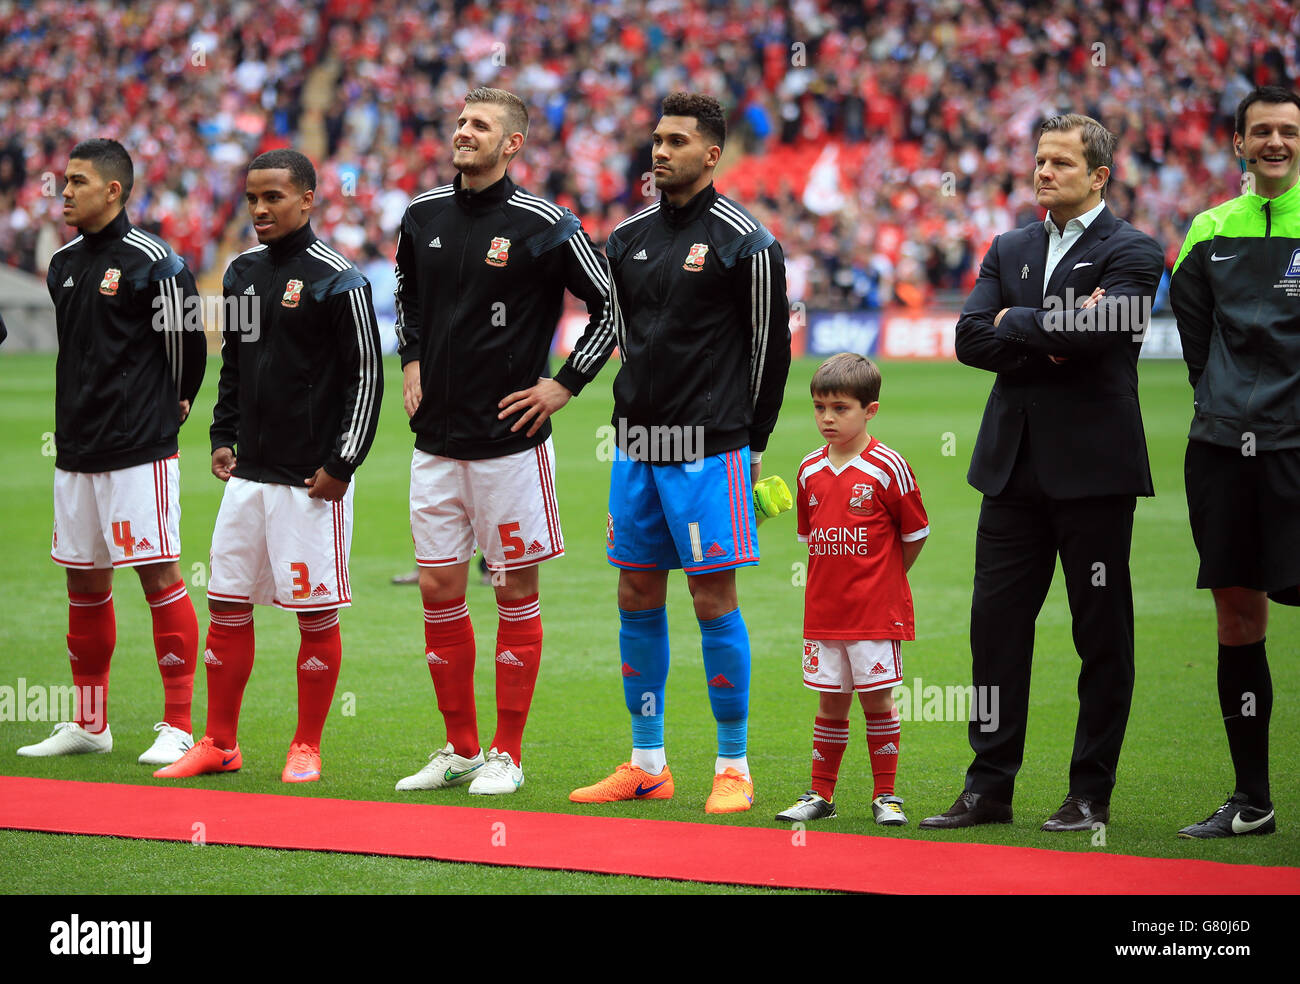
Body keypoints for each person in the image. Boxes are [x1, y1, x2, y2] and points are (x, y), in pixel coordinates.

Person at [921, 114, 1163, 832]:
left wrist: (1016, 324)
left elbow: (1100, 331)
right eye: (1039, 160)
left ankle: (1089, 791)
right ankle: (987, 787)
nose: (1043, 171)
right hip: (1011, 472)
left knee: (1101, 634)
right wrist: (1049, 329)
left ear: (1098, 176)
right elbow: (968, 337)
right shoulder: (1011, 245)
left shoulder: (1136, 249)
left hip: (1093, 474)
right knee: (994, 631)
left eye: (1060, 161)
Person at [392, 88, 619, 796]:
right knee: (437, 588)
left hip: (511, 445)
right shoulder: (421, 215)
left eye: (480, 125)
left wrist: (566, 383)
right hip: (434, 443)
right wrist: (411, 358)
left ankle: (506, 753)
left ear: (512, 144)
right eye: (460, 121)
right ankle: (458, 748)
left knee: (515, 589)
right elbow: (406, 294)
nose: (463, 132)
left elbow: (614, 306)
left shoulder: (546, 224)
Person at [570, 92, 791, 814]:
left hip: (709, 448)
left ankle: (734, 766)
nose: (659, 151)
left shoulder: (747, 242)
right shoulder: (627, 236)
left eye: (675, 141)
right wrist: (563, 386)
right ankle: (647, 761)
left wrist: (751, 447)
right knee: (635, 593)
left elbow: (769, 353)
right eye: (656, 139)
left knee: (711, 597)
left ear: (712, 154)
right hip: (636, 443)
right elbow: (616, 330)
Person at [154, 149, 383, 783]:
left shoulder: (341, 280)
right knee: (226, 605)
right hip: (248, 476)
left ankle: (306, 744)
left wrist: (343, 463)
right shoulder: (241, 273)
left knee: (314, 614)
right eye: (253, 198)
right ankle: (220, 742)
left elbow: (368, 378)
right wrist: (222, 433)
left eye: (274, 197)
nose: (260, 209)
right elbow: (235, 361)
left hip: (311, 482)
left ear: (307, 200)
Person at [19, 139, 206, 765]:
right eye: (63, 181)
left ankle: (178, 724)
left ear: (113, 190)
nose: (63, 191)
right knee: (84, 584)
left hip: (137, 450)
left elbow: (188, 350)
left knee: (158, 576)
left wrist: (170, 406)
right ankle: (90, 723)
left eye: (76, 182)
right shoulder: (63, 263)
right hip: (75, 449)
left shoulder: (157, 263)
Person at [1169, 85, 1300, 838]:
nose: (1276, 142)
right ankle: (1254, 800)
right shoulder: (1209, 230)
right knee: (1237, 618)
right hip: (1224, 451)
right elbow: (1195, 342)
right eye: (1262, 132)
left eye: (1288, 131)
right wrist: (1224, 406)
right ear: (1239, 146)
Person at [775, 354, 928, 825]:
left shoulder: (887, 467)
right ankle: (820, 795)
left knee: (877, 699)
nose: (827, 418)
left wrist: (883, 582)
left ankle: (887, 796)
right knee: (829, 701)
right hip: (823, 612)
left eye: (840, 408)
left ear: (870, 410)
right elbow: (811, 540)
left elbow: (915, 535)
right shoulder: (807, 470)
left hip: (874, 614)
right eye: (819, 407)